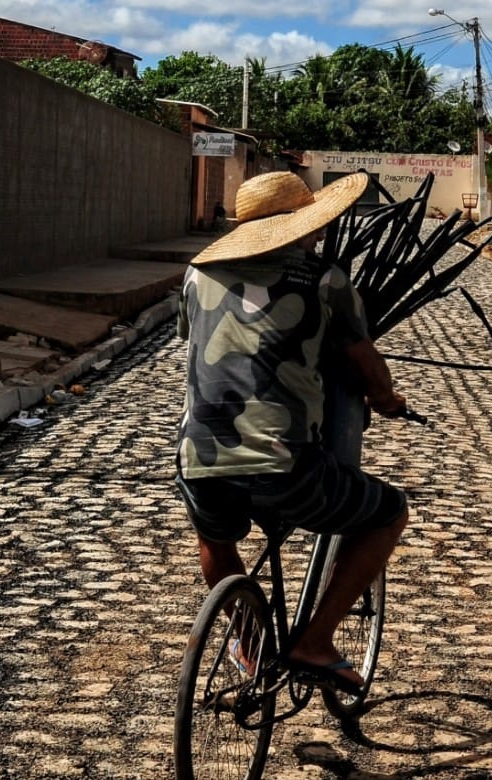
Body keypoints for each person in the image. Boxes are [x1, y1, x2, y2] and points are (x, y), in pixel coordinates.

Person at [174, 170, 408, 695]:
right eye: (313, 225)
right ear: (299, 226)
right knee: (387, 513)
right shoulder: (325, 279)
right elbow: (364, 361)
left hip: (198, 457)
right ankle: (314, 641)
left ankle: (249, 640)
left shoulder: (196, 274)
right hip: (285, 465)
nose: (321, 234)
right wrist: (385, 399)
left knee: (215, 534)